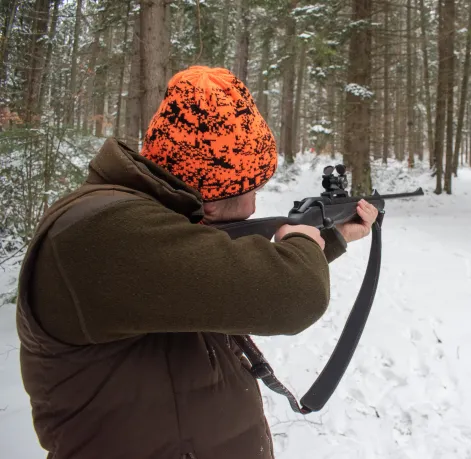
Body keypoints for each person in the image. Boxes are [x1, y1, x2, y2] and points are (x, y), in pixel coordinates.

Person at [16, 66, 378, 459]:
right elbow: (295, 297)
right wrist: (299, 240)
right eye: (251, 188)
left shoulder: (151, 229)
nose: (255, 203)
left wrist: (333, 237)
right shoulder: (104, 230)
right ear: (210, 192)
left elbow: (219, 279)